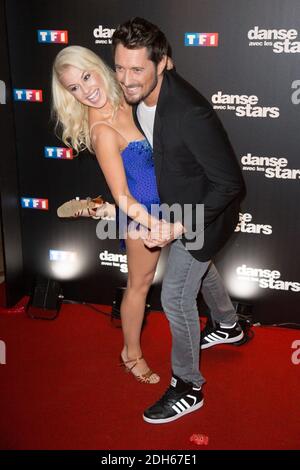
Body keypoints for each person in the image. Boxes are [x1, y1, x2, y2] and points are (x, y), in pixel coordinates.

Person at [112, 17, 245, 424]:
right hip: (178, 206)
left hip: (205, 214)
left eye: (137, 69)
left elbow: (230, 185)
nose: (126, 79)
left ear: (163, 62)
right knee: (199, 274)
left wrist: (180, 225)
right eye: (119, 67)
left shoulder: (189, 112)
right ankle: (228, 324)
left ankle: (188, 386)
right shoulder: (139, 99)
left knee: (174, 296)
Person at [52, 45, 177, 384]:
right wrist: (156, 224)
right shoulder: (102, 132)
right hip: (142, 214)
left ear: (96, 67)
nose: (86, 90)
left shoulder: (123, 96)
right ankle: (131, 354)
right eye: (74, 88)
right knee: (139, 285)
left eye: (86, 77)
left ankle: (99, 209)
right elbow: (123, 195)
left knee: (199, 264)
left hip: (166, 203)